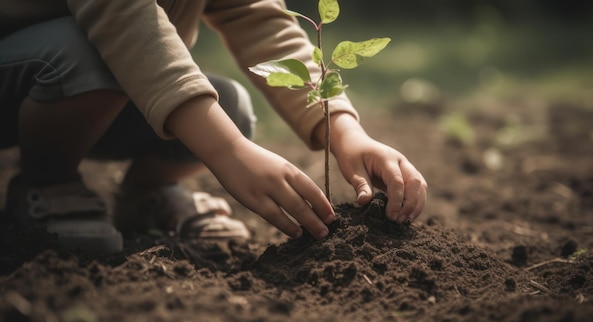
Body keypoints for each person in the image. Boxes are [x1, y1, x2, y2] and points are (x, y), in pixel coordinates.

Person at [0, 0, 428, 255]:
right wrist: (226, 152)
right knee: (91, 48)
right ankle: (46, 184)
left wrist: (345, 127)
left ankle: (146, 196)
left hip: (104, 87)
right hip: (25, 77)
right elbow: (123, 19)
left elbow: (259, 19)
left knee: (231, 107)